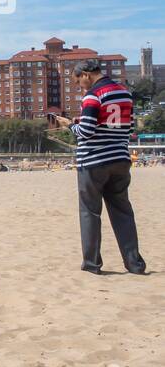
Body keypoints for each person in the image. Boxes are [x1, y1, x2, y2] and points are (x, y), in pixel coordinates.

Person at [53, 59, 146, 274]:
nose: (79, 86)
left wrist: (70, 125)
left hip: (93, 161)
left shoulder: (93, 95)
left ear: (86, 74)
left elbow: (85, 132)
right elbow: (127, 127)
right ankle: (134, 264)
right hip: (120, 159)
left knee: (90, 213)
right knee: (123, 212)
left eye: (78, 81)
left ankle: (92, 264)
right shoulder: (124, 93)